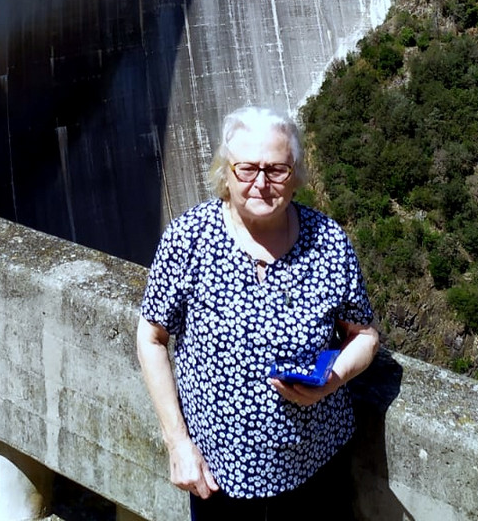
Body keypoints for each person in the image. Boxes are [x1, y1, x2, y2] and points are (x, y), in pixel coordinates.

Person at [136, 106, 379, 518]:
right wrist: (177, 443)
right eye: (247, 169)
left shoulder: (329, 242)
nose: (261, 183)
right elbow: (152, 337)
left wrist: (331, 380)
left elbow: (365, 336)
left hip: (315, 466)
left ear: (296, 174)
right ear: (225, 172)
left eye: (277, 170)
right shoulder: (188, 239)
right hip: (219, 476)